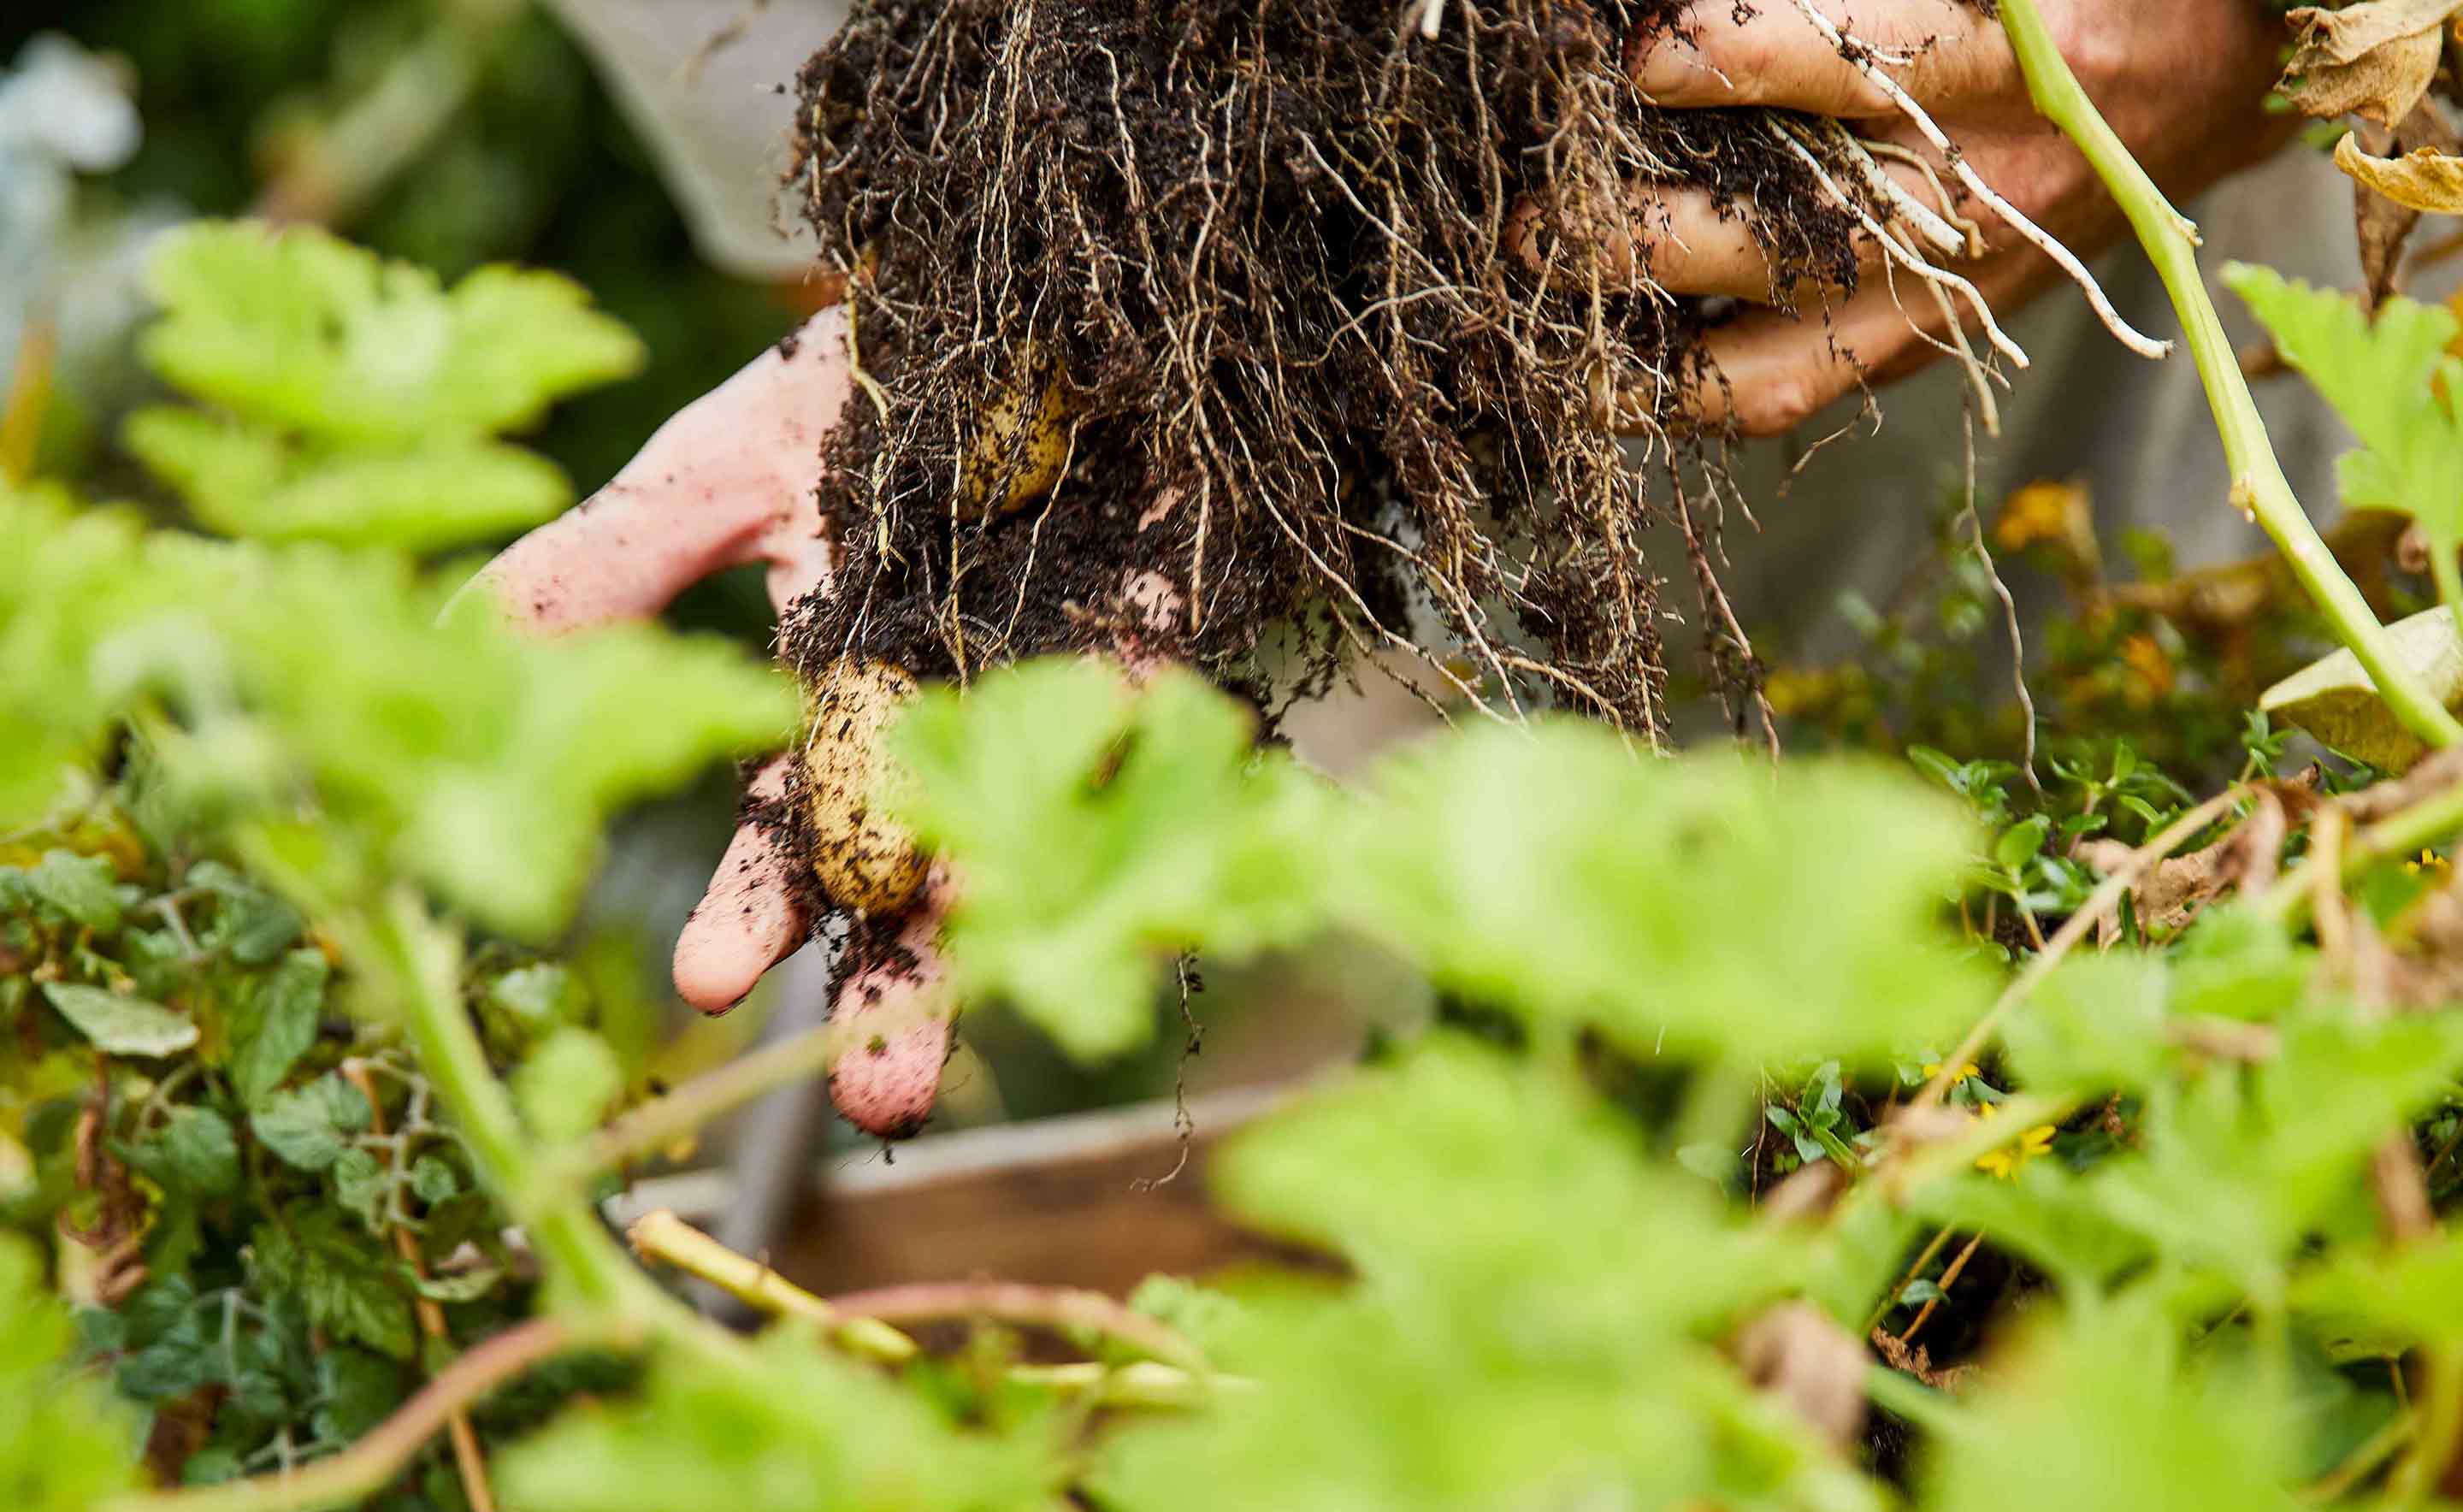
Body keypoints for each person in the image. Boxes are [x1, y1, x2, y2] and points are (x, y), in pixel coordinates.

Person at [490, 0, 2349, 1132]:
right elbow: (901, 181)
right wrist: (1082, 368)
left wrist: (2255, 36)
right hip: (1426, 643)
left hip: (2231, 469)